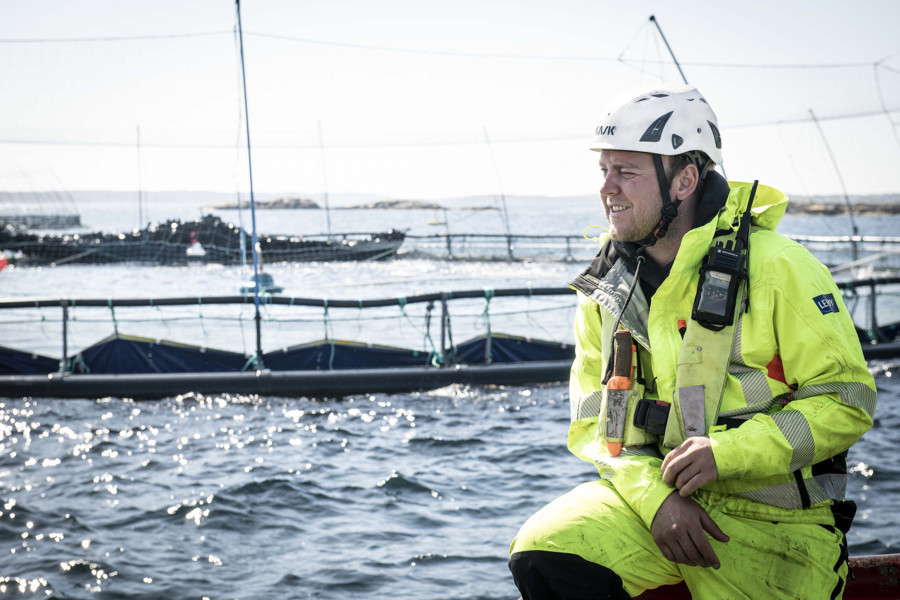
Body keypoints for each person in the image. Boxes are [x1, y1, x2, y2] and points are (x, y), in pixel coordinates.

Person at [508, 83, 877, 599]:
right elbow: (595, 426)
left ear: (683, 180)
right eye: (604, 171)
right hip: (657, 506)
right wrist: (656, 500)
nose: (606, 188)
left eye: (626, 172)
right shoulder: (605, 289)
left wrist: (726, 454)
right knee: (545, 550)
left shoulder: (780, 268)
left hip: (780, 529)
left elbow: (847, 401)